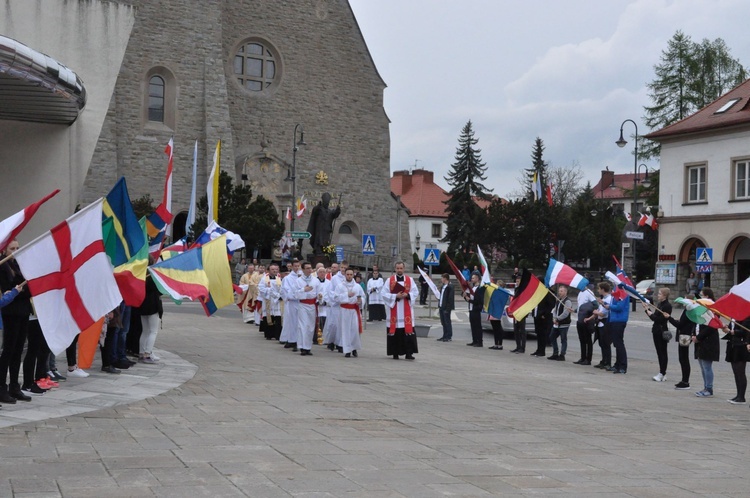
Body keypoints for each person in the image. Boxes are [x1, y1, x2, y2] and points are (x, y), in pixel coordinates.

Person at [0, 240, 33, 404]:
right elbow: (6, 291)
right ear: (4, 250)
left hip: (23, 312)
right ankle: (2, 388)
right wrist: (17, 291)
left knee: (18, 350)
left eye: (18, 248)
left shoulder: (20, 265)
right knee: (8, 350)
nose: (15, 251)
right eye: (12, 248)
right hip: (10, 314)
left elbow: (29, 289)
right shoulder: (2, 266)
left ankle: (15, 386)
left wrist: (18, 291)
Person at [380, 261, 419, 360]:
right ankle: (395, 353)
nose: (399, 270)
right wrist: (395, 296)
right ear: (395, 269)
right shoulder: (390, 280)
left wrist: (408, 295)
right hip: (395, 311)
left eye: (401, 268)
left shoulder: (410, 280)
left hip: (406, 311)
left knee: (408, 332)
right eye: (397, 268)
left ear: (404, 269)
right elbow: (383, 293)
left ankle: (408, 353)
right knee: (395, 331)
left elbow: (415, 292)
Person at [693, 287, 720, 397]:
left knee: (706, 366)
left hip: (708, 341)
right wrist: (694, 335)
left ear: (707, 297)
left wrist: (699, 337)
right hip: (700, 341)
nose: (701, 297)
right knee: (702, 365)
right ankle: (705, 386)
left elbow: (711, 327)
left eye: (702, 295)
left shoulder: (712, 310)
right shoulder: (701, 308)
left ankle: (709, 388)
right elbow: (697, 323)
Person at [643, 287, 672, 382]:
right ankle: (662, 372)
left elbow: (660, 319)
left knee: (662, 352)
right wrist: (647, 310)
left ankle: (662, 372)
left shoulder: (667, 306)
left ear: (664, 295)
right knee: (659, 352)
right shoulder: (660, 304)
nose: (658, 295)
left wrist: (650, 314)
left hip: (661, 331)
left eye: (659, 294)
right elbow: (654, 318)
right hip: (656, 330)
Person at [138, 260, 163, 364]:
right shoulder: (153, 277)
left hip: (143, 305)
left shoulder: (140, 275)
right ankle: (147, 354)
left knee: (145, 331)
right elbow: (160, 291)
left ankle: (141, 352)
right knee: (153, 331)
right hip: (153, 305)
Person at [666, 304, 695, 390]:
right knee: (682, 358)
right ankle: (684, 380)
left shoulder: (688, 311)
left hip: (685, 336)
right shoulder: (687, 311)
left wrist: (669, 318)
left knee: (684, 358)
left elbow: (680, 325)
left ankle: (685, 381)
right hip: (684, 335)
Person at [337, 268, 364, 357]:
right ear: (345, 275)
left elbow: (363, 297)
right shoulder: (340, 286)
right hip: (345, 310)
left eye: (351, 274)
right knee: (346, 330)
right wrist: (346, 295)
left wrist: (360, 301)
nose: (349, 276)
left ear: (353, 275)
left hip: (354, 310)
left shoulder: (357, 286)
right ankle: (347, 349)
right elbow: (336, 298)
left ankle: (354, 348)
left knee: (355, 329)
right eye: (347, 274)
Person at [295, 262, 321, 356]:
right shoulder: (298, 281)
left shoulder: (315, 280)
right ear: (303, 269)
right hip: (303, 305)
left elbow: (319, 292)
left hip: (312, 305)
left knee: (310, 326)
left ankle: (308, 347)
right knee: (303, 325)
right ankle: (302, 346)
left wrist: (320, 297)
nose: (309, 270)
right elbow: (295, 294)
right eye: (307, 268)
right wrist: (304, 290)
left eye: (310, 268)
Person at [724, 318, 750, 404]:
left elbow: (745, 331)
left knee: (740, 372)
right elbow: (732, 327)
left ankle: (741, 396)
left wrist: (732, 331)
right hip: (733, 345)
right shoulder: (733, 317)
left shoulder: (746, 317)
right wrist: (726, 328)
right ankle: (738, 395)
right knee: (735, 371)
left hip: (741, 346)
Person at [280, 259, 301, 350]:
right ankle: (290, 339)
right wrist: (290, 296)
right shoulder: (287, 278)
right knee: (290, 322)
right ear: (292, 267)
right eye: (295, 266)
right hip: (291, 303)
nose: (297, 268)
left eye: (298, 266)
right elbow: (284, 290)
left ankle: (296, 340)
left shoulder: (302, 277)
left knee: (299, 323)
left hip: (301, 303)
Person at [607, 288, 630, 374]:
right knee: (616, 344)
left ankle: (623, 366)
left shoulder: (623, 292)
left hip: (619, 320)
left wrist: (609, 306)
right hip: (614, 319)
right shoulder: (617, 291)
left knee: (619, 343)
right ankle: (617, 364)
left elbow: (620, 307)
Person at [258, 263, 283, 340]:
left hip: (278, 300)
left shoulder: (280, 278)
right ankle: (269, 334)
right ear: (269, 270)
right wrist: (269, 290)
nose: (274, 271)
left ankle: (277, 335)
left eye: (276, 269)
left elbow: (283, 288)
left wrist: (279, 295)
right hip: (268, 299)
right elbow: (261, 288)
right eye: (272, 269)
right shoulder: (264, 278)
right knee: (269, 317)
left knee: (278, 317)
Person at [574, 286, 597, 365]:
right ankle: (583, 357)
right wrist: (575, 310)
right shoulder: (580, 293)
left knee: (588, 340)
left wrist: (589, 315)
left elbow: (595, 305)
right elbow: (580, 306)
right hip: (579, 319)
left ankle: (588, 359)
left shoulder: (589, 293)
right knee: (582, 340)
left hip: (586, 320)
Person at [548, 285, 572, 361]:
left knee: (563, 339)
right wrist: (554, 318)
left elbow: (566, 313)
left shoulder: (567, 301)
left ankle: (562, 354)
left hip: (564, 324)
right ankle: (555, 353)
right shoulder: (558, 300)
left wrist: (558, 319)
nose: (560, 293)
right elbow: (554, 310)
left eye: (561, 291)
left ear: (565, 292)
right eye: (559, 291)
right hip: (556, 323)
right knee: (552, 337)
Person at [593, 282, 613, 370]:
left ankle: (607, 362)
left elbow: (603, 313)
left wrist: (597, 312)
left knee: (606, 343)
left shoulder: (608, 299)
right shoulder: (603, 299)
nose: (598, 290)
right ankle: (603, 360)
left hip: (605, 322)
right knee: (601, 343)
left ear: (603, 289)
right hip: (600, 323)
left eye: (599, 289)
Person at [530, 287, 555, 357]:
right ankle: (538, 349)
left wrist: (544, 314)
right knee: (538, 334)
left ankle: (542, 351)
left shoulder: (547, 293)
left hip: (543, 317)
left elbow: (551, 305)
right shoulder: (537, 292)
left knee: (542, 334)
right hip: (536, 316)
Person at [464, 272, 483, 347]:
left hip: (476, 309)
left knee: (477, 326)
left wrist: (470, 300)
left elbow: (478, 301)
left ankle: (479, 341)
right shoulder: (472, 288)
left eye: (473, 278)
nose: (472, 279)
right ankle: (474, 340)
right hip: (471, 309)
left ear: (477, 278)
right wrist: (466, 297)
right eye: (472, 278)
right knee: (473, 325)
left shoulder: (480, 288)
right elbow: (470, 298)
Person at [437, 273, 454, 342]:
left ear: (445, 278)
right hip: (441, 306)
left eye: (442, 278)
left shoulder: (450, 287)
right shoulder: (443, 286)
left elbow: (450, 298)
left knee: (447, 322)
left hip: (446, 307)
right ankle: (444, 335)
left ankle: (449, 336)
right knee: (443, 322)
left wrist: (448, 308)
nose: (441, 279)